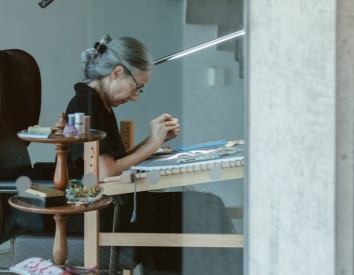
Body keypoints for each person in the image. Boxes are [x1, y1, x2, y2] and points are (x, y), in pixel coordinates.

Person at [64, 34, 241, 274]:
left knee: (203, 206)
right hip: (101, 210)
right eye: (137, 87)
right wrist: (151, 143)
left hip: (114, 204)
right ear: (117, 73)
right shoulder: (85, 104)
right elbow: (103, 172)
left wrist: (153, 140)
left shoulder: (97, 102)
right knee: (204, 208)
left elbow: (113, 162)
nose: (135, 97)